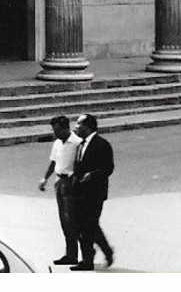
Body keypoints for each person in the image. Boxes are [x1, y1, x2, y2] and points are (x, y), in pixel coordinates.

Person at [69, 115, 114, 270]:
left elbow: (108, 168)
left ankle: (88, 260)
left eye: (78, 124)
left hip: (95, 193)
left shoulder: (102, 144)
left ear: (87, 127)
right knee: (86, 226)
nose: (75, 127)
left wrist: (92, 174)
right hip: (80, 192)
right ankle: (104, 251)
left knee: (88, 226)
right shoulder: (81, 145)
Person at [38, 115, 80, 266]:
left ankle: (79, 253)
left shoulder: (76, 143)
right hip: (59, 181)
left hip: (71, 183)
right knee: (64, 220)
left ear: (64, 128)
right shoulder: (57, 143)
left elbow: (80, 164)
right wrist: (45, 178)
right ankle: (70, 254)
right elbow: (53, 162)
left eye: (55, 130)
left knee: (72, 220)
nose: (53, 133)